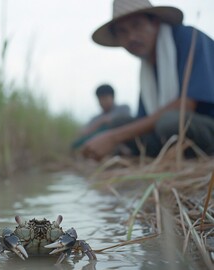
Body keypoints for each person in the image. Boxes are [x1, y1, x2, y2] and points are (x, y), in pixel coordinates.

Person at [82, 0, 214, 161]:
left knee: (170, 122)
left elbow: (186, 105)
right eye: (122, 32)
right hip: (168, 135)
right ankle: (148, 156)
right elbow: (144, 118)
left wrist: (114, 138)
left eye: (137, 25)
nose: (131, 37)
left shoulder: (189, 39)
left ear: (155, 23)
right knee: (120, 123)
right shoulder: (147, 70)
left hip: (203, 126)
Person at [71, 84, 130, 149]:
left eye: (105, 98)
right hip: (97, 140)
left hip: (121, 140)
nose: (102, 102)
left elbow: (109, 120)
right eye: (100, 99)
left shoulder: (123, 108)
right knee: (77, 143)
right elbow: (83, 132)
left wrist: (97, 125)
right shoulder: (95, 118)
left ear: (113, 97)